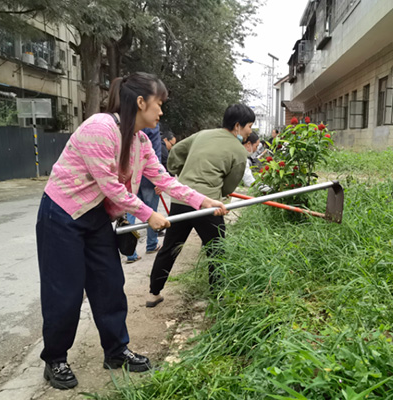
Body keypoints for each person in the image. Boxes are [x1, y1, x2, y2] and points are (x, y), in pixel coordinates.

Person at [36, 72, 227, 390]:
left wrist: (203, 200)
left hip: (95, 215)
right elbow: (110, 186)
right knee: (64, 292)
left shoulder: (140, 141)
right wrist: (149, 214)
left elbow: (164, 179)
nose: (161, 111)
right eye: (159, 104)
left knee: (109, 283)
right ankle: (55, 359)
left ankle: (116, 351)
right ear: (141, 102)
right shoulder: (100, 128)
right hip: (62, 214)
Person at [147, 104, 255, 307]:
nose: (250, 131)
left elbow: (177, 150)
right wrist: (219, 194)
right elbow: (231, 184)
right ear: (238, 126)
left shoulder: (202, 135)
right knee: (216, 249)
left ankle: (153, 293)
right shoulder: (239, 151)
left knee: (170, 247)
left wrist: (179, 172)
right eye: (249, 126)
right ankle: (218, 296)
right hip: (208, 204)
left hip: (182, 197)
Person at [125, 122, 165, 263]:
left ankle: (129, 252)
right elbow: (155, 152)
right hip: (148, 177)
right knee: (151, 211)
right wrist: (158, 180)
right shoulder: (151, 124)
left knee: (131, 211)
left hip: (132, 176)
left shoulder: (128, 123)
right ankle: (152, 244)